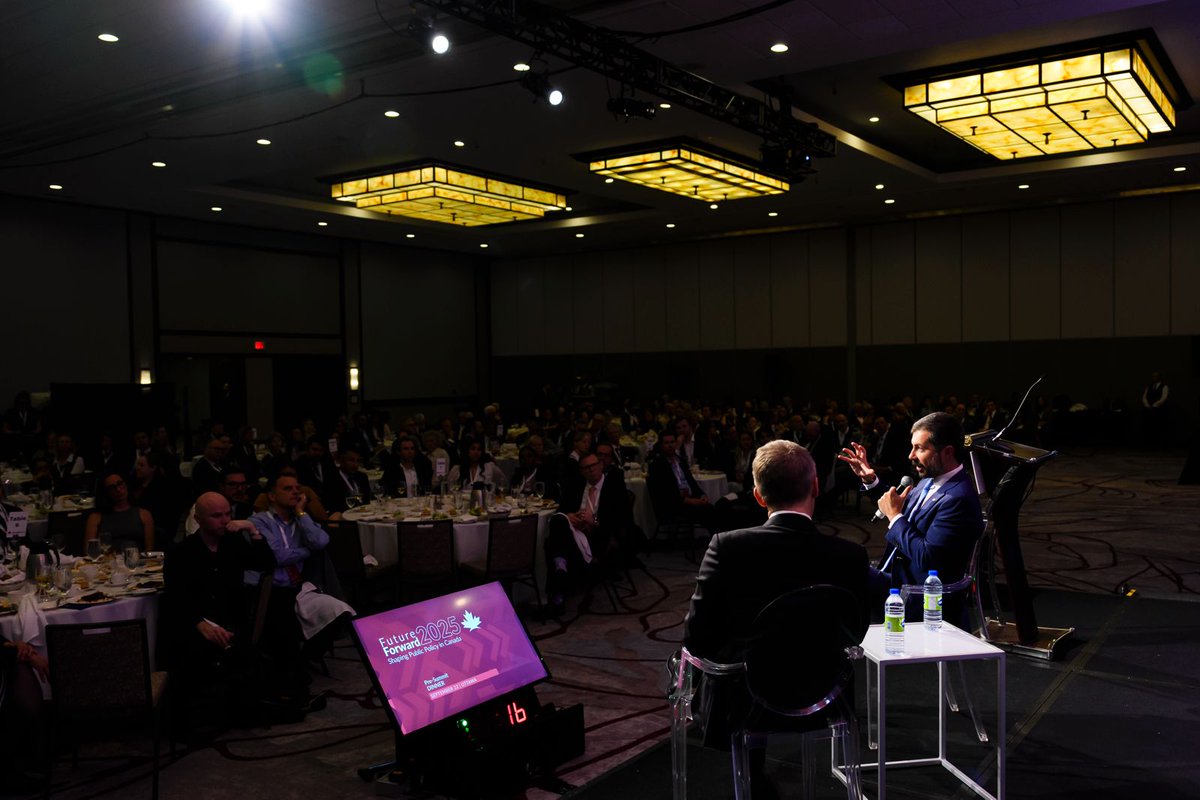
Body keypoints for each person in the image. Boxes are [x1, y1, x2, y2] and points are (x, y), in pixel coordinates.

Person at [682, 441, 870, 784]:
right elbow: (857, 632)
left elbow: (697, 637)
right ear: (815, 486)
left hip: (745, 702)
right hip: (825, 696)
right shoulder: (850, 556)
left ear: (757, 495)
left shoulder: (727, 547)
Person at [838, 411, 984, 619]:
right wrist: (872, 481)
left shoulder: (957, 498)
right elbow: (899, 507)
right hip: (896, 576)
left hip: (914, 594)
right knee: (840, 566)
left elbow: (928, 558)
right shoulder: (929, 480)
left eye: (920, 448)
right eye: (912, 447)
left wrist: (895, 518)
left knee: (841, 571)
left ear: (948, 452)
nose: (911, 455)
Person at [163, 492, 278, 726]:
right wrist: (200, 624)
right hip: (197, 624)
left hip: (232, 621)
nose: (225, 520)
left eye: (228, 514)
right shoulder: (181, 552)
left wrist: (253, 531)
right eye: (217, 516)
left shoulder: (233, 544)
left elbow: (267, 563)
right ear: (199, 518)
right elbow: (176, 598)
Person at [544, 452, 637, 615]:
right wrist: (570, 516)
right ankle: (561, 568)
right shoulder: (576, 485)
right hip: (575, 532)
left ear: (601, 465)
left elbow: (623, 519)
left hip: (599, 537)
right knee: (559, 520)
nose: (591, 470)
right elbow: (562, 509)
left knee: (552, 545)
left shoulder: (614, 486)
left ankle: (559, 582)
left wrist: (593, 520)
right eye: (586, 468)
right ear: (581, 471)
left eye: (594, 465)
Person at [85, 472, 156, 552]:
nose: (118, 489)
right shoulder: (96, 517)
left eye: (120, 484)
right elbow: (89, 551)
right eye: (112, 488)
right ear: (106, 493)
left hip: (136, 561)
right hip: (107, 562)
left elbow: (149, 550)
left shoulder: (144, 515)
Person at [323, 447, 373, 513]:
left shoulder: (362, 477)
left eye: (357, 461)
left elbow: (367, 501)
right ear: (340, 461)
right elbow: (333, 507)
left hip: (364, 515)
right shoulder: (332, 480)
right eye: (351, 460)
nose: (356, 465)